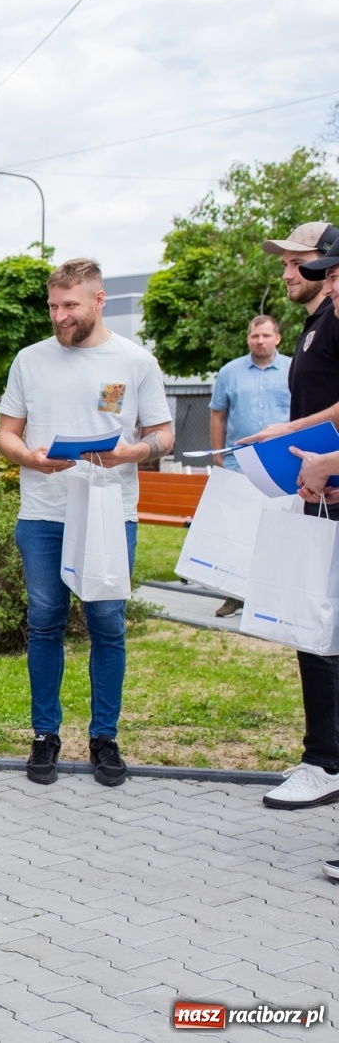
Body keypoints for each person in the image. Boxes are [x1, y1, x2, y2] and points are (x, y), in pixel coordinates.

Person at [0, 258, 174, 788]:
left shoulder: (137, 361)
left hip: (109, 514)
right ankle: (45, 736)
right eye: (53, 306)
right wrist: (30, 457)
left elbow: (164, 434)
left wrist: (132, 452)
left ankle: (105, 738)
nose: (59, 316)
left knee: (107, 626)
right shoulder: (30, 360)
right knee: (46, 623)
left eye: (69, 305)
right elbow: (7, 434)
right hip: (44, 513)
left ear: (99, 301)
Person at [239, 223, 339, 812]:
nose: (286, 272)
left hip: (334, 495)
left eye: (296, 263)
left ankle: (324, 761)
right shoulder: (314, 326)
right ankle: (322, 752)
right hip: (318, 492)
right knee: (311, 625)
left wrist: (289, 431)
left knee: (321, 629)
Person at [207, 314, 290, 616]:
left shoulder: (294, 369)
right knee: (237, 530)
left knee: (278, 529)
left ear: (277, 338)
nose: (260, 341)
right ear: (248, 339)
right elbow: (218, 413)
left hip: (283, 460)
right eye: (255, 336)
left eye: (266, 336)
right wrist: (218, 453)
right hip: (239, 460)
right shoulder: (230, 372)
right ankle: (235, 593)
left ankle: (271, 596)